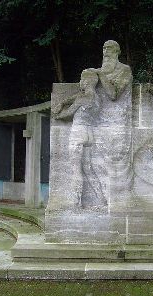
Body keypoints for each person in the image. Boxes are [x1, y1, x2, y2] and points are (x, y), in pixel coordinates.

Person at [54, 69, 102, 207]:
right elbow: (74, 98)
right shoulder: (96, 99)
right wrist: (63, 102)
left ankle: (76, 203)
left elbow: (68, 114)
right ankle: (102, 200)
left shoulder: (82, 98)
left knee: (76, 169)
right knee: (88, 169)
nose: (80, 82)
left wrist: (57, 114)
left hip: (78, 133)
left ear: (86, 81)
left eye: (82, 79)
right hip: (89, 135)